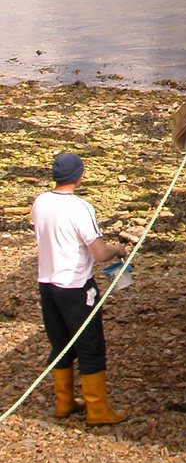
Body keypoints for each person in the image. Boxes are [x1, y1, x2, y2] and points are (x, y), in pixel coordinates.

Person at [31, 151, 130, 424]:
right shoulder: (80, 208)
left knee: (60, 344)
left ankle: (63, 403)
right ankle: (97, 410)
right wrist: (118, 249)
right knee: (90, 346)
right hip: (76, 286)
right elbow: (99, 254)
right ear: (79, 176)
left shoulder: (40, 202)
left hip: (47, 285)